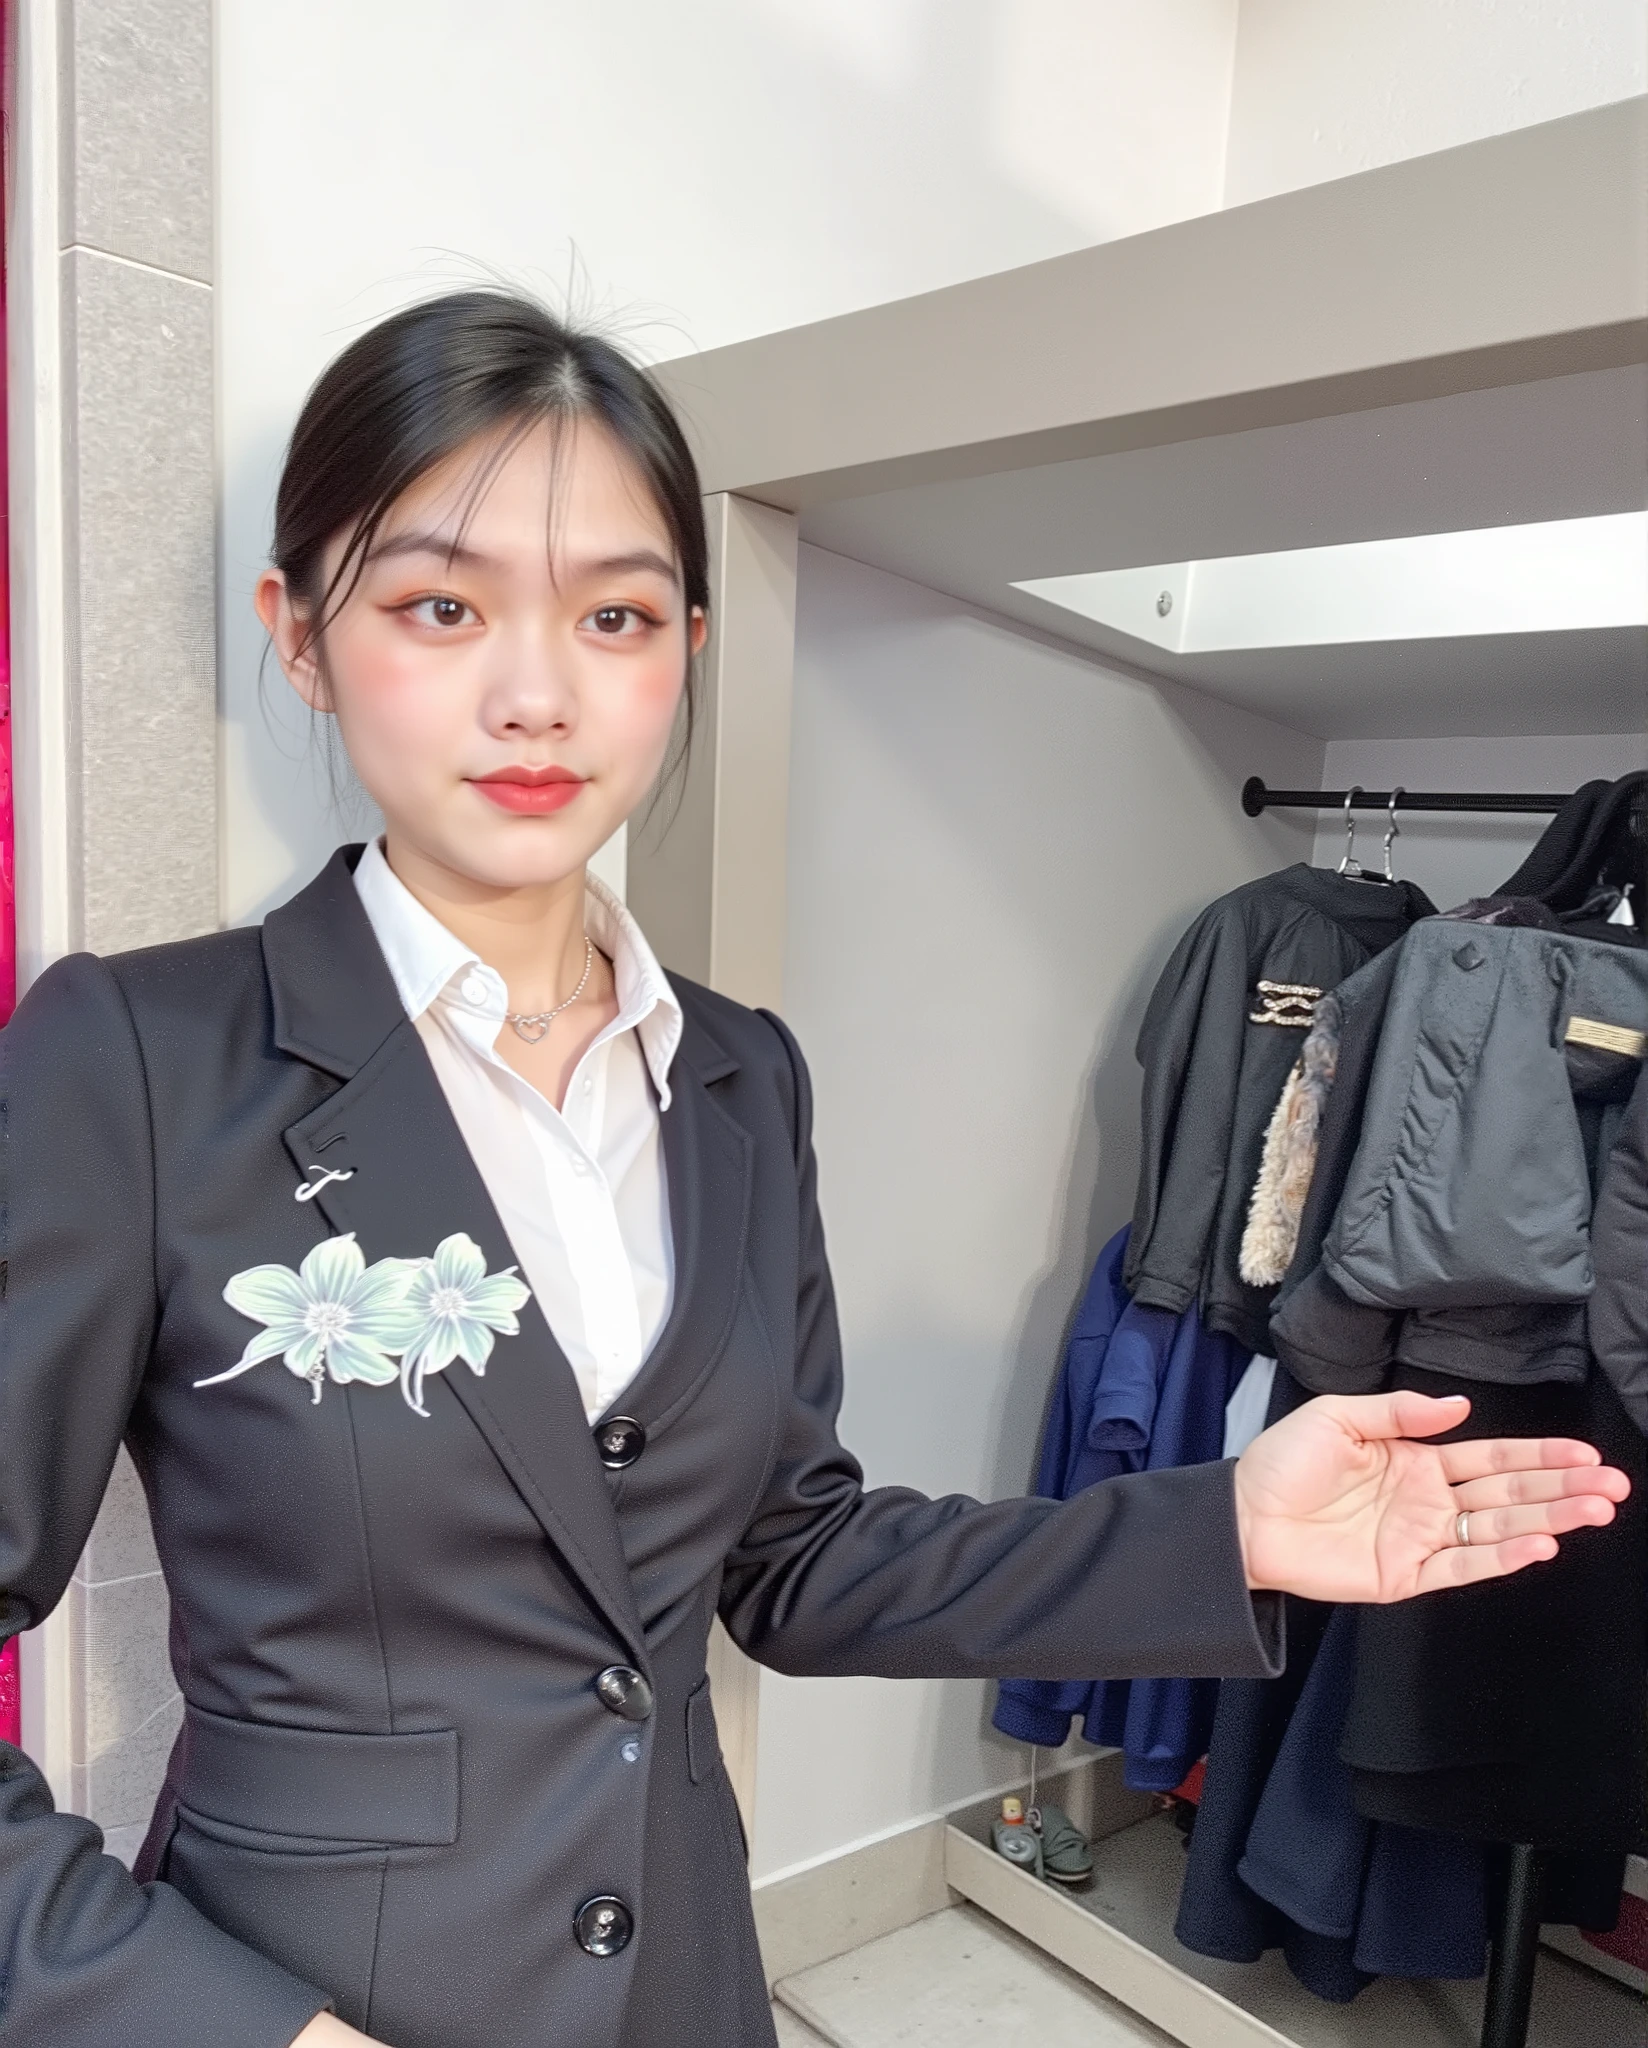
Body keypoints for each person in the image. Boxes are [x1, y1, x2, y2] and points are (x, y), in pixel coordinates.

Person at [0, 292, 1629, 2048]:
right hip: (312, 2001)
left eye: (613, 616)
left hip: (690, 1986)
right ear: (302, 636)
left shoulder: (739, 1077)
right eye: (441, 606)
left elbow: (795, 1555)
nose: (536, 692)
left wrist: (1221, 1527)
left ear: (684, 647)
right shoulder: (143, 1059)